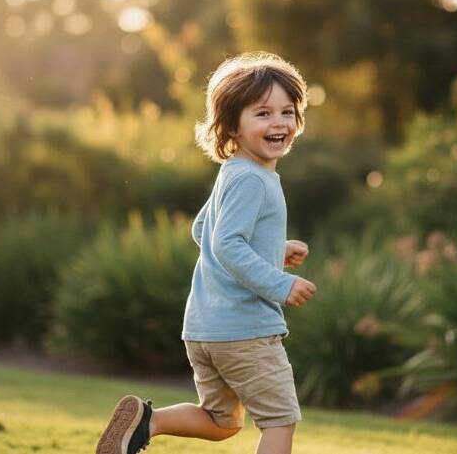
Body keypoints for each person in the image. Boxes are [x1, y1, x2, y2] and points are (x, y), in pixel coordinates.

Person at [95, 51, 317, 454]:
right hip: (246, 330)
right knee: (279, 421)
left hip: (205, 329)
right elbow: (226, 242)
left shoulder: (233, 171)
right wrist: (278, 282)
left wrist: (272, 249)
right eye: (263, 113)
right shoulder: (255, 180)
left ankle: (148, 421)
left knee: (221, 422)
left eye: (287, 111)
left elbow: (204, 229)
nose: (279, 122)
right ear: (232, 124)